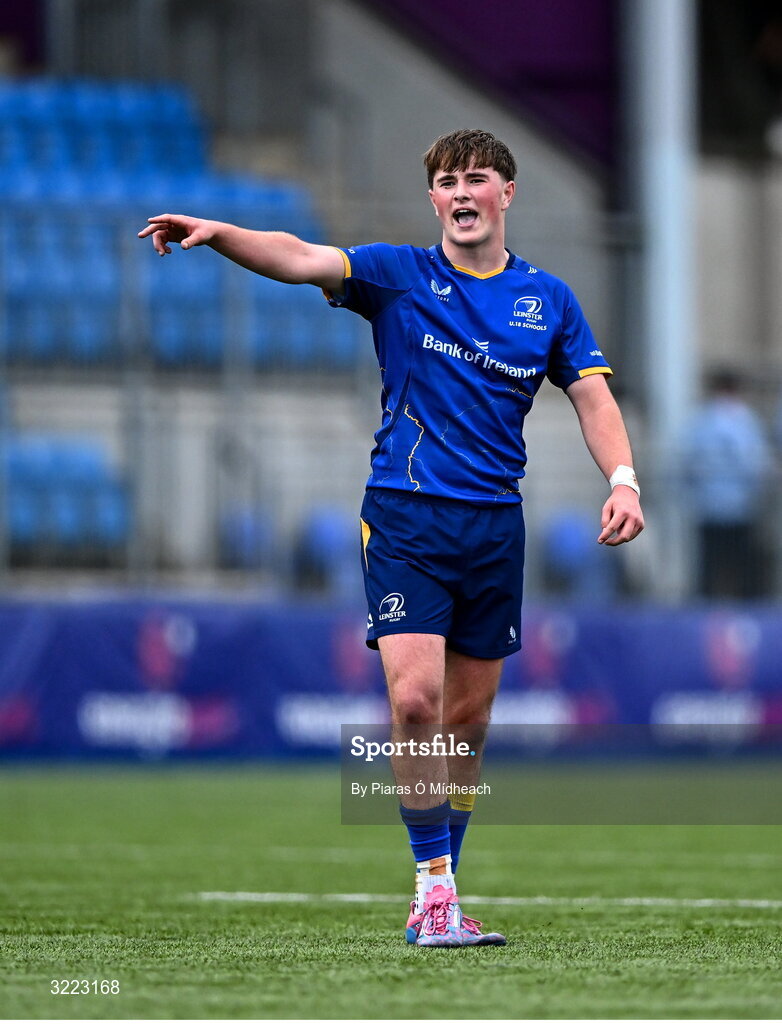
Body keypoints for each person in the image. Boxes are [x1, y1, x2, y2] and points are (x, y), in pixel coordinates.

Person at [139, 128, 644, 947]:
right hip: (406, 514)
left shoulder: (548, 298)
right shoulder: (400, 274)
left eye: (477, 178)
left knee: (469, 725)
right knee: (415, 703)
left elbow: (592, 397)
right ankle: (433, 893)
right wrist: (222, 235)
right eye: (447, 182)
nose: (462, 193)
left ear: (507, 193)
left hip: (493, 525)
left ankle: (444, 887)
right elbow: (299, 255)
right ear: (435, 199)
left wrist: (622, 480)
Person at [683, 369, 773, 598]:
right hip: (739, 507)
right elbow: (755, 464)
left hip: (709, 506)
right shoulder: (745, 420)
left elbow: (690, 463)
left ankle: (706, 609)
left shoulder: (702, 420)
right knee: (742, 566)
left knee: (710, 566)